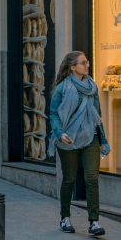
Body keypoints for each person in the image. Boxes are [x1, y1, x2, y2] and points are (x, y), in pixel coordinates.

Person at [49, 51, 110, 235]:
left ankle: (94, 222)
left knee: (92, 179)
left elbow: (97, 115)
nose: (88, 65)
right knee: (69, 178)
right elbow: (53, 114)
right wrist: (60, 134)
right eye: (84, 63)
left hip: (90, 138)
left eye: (88, 62)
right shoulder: (62, 88)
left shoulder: (92, 87)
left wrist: (103, 140)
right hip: (68, 138)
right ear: (73, 67)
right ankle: (64, 217)